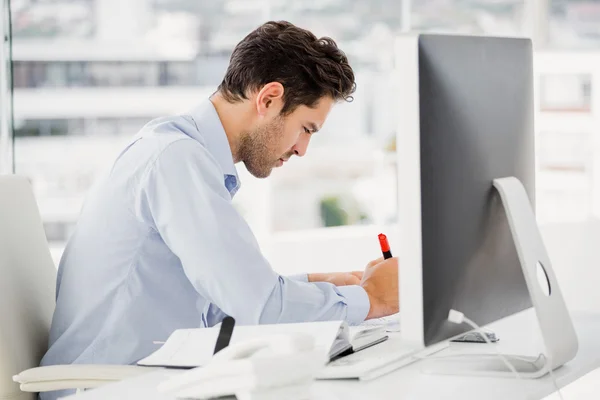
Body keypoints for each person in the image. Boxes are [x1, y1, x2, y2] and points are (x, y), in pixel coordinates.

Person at [40, 20, 398, 400]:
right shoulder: (175, 160)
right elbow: (259, 308)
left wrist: (317, 284)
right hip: (102, 391)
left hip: (138, 382)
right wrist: (373, 299)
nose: (302, 149)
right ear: (269, 98)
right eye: (306, 128)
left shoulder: (183, 154)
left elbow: (215, 309)